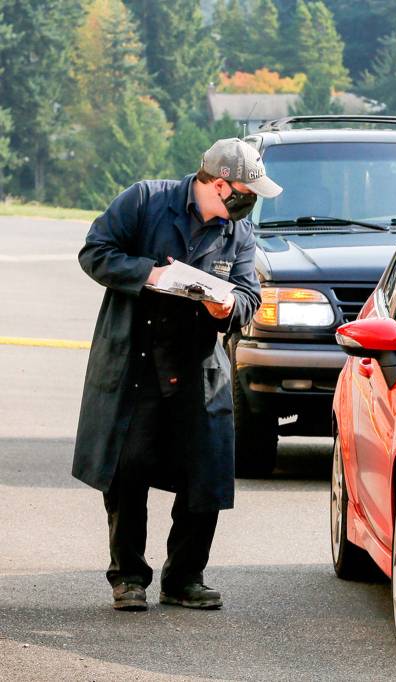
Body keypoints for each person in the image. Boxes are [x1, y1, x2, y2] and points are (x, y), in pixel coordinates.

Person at [73, 138, 282, 611]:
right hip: (136, 361)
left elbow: (249, 298)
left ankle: (185, 577)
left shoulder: (239, 235)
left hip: (198, 367)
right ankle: (128, 576)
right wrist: (150, 275)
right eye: (247, 191)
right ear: (222, 184)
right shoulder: (145, 200)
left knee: (205, 474)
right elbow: (94, 252)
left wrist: (224, 304)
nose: (251, 201)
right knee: (128, 473)